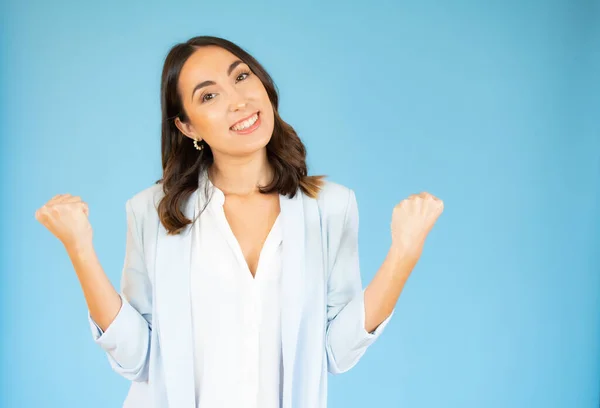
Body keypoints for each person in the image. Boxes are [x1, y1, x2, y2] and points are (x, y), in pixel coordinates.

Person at [35, 35, 444, 408]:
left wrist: (404, 254)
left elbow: (336, 352)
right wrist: (79, 248)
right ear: (187, 125)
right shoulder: (152, 211)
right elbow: (135, 357)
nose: (239, 101)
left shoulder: (331, 207)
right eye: (209, 95)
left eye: (242, 77)